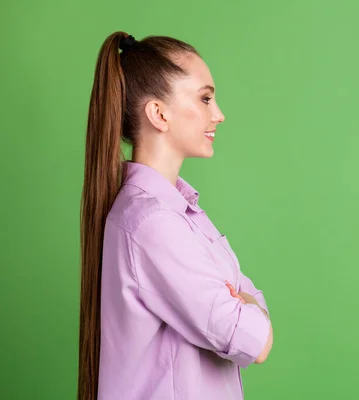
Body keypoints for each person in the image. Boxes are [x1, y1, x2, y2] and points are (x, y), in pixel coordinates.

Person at [78, 31, 273, 400]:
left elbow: (250, 309)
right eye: (205, 98)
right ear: (159, 113)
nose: (218, 114)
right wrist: (245, 305)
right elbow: (254, 340)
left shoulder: (180, 213)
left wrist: (247, 305)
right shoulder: (152, 223)